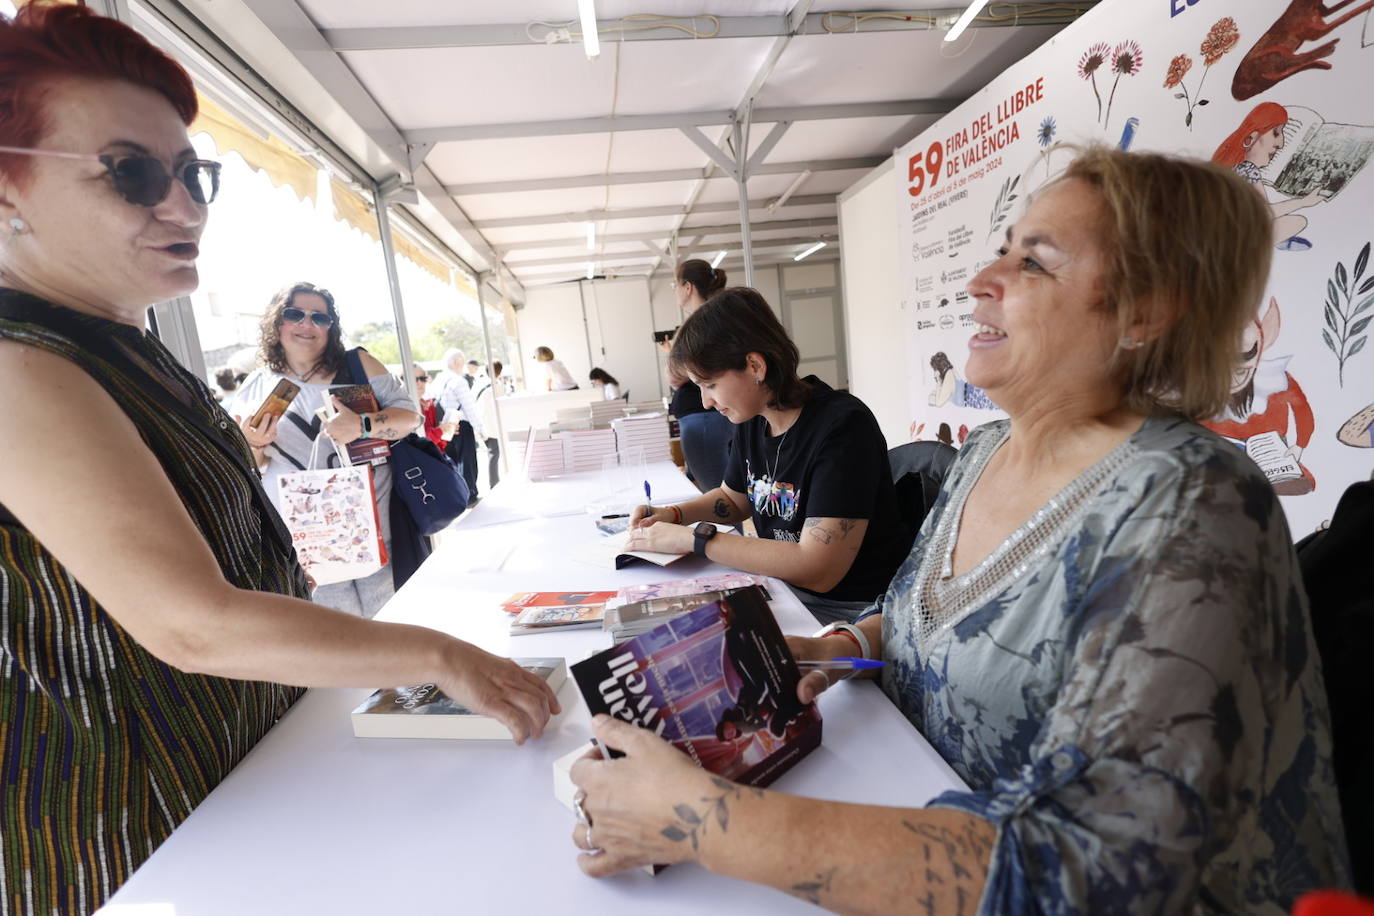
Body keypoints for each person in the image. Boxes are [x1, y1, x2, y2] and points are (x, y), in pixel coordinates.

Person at [570, 147, 1349, 912]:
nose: (981, 282)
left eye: (1034, 263)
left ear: (1147, 310)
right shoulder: (984, 453)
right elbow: (922, 617)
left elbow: (1095, 874)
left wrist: (704, 822)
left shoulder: (1190, 499)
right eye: (1002, 253)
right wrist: (846, 648)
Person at [0, 7, 556, 912]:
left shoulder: (115, 346)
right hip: (141, 834)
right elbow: (192, 625)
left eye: (193, 173)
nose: (182, 206)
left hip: (246, 778)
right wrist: (437, 656)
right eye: (130, 174)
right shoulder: (19, 367)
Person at [628, 287, 907, 625]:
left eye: (710, 385)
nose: (705, 402)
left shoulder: (842, 427)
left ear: (755, 365)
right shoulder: (752, 418)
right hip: (784, 589)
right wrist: (672, 514)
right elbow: (734, 499)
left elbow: (818, 569)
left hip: (851, 612)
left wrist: (694, 539)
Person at [230, 282, 414, 618]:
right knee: (340, 645)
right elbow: (250, 467)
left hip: (376, 534)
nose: (307, 324)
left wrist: (362, 425)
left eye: (320, 318)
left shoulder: (357, 365)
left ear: (332, 327)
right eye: (294, 314)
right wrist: (254, 446)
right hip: (307, 545)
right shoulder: (256, 385)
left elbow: (409, 419)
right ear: (276, 322)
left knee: (396, 630)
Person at [1213, 101, 1326, 251]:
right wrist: (1303, 202)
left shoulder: (1229, 168)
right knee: (1298, 222)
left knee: (1294, 222)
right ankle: (1265, 242)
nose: (1281, 143)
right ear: (1251, 138)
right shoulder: (1246, 170)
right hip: (1228, 237)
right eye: (1276, 133)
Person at [666, 259, 733, 491]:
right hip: (709, 417)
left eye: (674, 284)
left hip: (703, 418)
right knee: (720, 490)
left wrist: (675, 354)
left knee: (716, 493)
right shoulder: (715, 318)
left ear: (688, 287)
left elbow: (675, 376)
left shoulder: (698, 323)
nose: (674, 290)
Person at [431, 347, 482, 502]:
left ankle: (456, 495)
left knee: (451, 460)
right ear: (457, 362)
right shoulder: (459, 381)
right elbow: (469, 407)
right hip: (461, 424)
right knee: (466, 460)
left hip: (443, 425)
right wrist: (480, 429)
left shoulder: (437, 381)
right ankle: (469, 495)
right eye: (462, 362)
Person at [411, 361, 446, 451]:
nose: (420, 383)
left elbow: (440, 444)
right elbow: (417, 443)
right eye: (414, 379)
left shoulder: (428, 405)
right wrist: (440, 431)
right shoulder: (403, 408)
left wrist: (447, 429)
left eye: (423, 379)